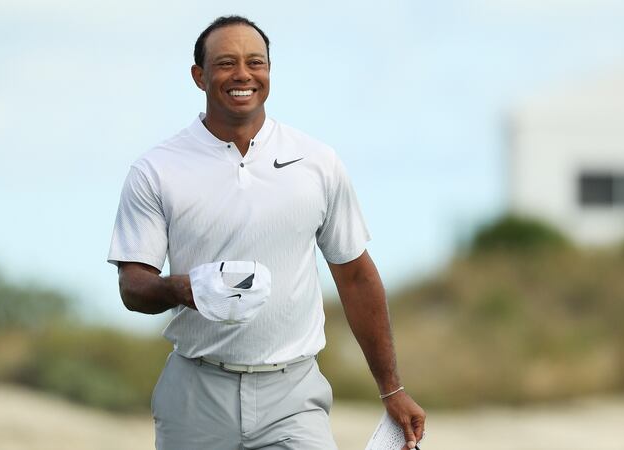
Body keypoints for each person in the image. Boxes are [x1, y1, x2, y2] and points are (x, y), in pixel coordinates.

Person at [107, 15, 425, 450]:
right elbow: (133, 285)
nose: (243, 74)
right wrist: (187, 289)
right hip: (196, 394)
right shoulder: (157, 169)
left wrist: (391, 389)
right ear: (199, 76)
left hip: (293, 395)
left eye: (255, 62)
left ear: (269, 72)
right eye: (225, 64)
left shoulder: (317, 162)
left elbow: (355, 277)